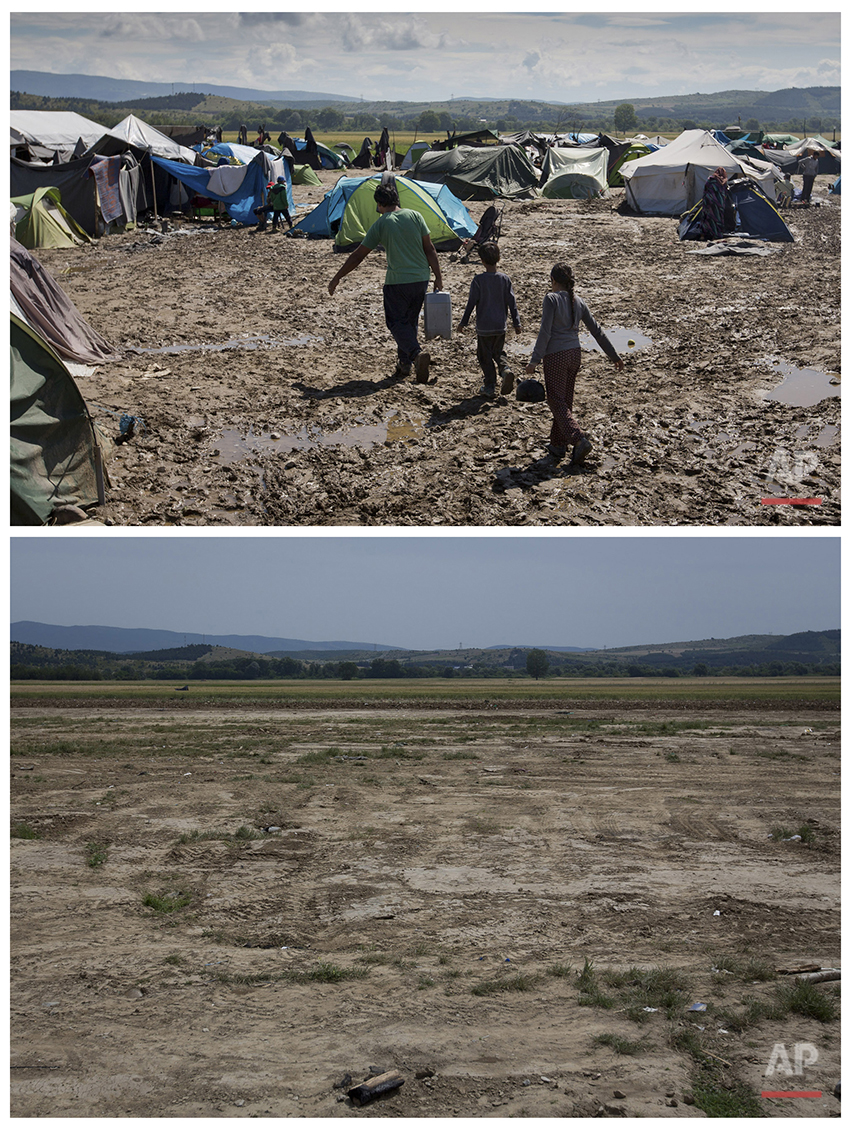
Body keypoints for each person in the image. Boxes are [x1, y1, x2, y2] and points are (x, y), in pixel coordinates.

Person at [328, 180, 443, 382]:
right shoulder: (416, 216)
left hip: (397, 281)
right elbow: (430, 249)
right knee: (409, 323)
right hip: (421, 279)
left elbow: (358, 255)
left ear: (380, 205)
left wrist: (338, 277)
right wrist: (438, 277)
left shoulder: (381, 223)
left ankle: (416, 355)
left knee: (395, 322)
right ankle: (404, 364)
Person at [525, 262, 623, 465]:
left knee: (555, 400)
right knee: (564, 401)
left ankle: (578, 439)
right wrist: (614, 356)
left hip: (556, 356)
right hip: (574, 354)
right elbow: (597, 331)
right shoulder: (578, 301)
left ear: (553, 281)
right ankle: (558, 444)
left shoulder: (551, 299)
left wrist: (534, 360)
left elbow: (545, 332)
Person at [457, 241, 521, 398]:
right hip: (500, 326)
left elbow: (471, 303)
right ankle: (505, 370)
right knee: (498, 352)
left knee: (484, 356)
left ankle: (490, 386)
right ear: (498, 259)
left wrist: (463, 323)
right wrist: (516, 323)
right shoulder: (505, 279)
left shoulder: (478, 281)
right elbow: (512, 303)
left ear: (482, 260)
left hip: (484, 327)